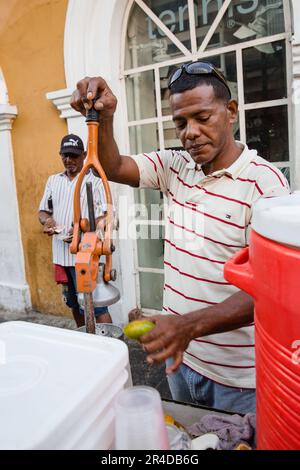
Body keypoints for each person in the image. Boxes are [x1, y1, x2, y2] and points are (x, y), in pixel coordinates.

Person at [70, 62, 290, 413]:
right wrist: (105, 116)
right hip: (181, 360)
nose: (190, 132)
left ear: (230, 111)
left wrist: (186, 326)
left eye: (202, 117)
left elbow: (272, 289)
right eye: (181, 122)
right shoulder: (175, 167)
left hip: (237, 380)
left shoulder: (266, 186)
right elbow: (113, 167)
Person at [38, 133, 112, 327]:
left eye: (74, 156)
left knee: (97, 306)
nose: (69, 160)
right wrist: (47, 221)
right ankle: (84, 340)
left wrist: (83, 227)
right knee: (73, 303)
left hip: (86, 254)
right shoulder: (53, 180)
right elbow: (43, 211)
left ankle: (111, 345)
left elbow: (107, 214)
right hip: (61, 255)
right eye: (65, 155)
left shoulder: (94, 180)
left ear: (84, 155)